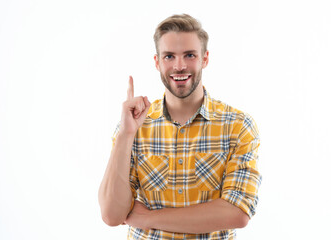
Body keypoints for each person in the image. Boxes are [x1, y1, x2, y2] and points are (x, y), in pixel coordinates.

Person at [98, 14, 262, 240]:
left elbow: (237, 212)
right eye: (169, 56)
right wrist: (126, 135)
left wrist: (147, 218)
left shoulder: (238, 126)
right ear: (157, 62)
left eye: (190, 55)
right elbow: (111, 215)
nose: (179, 65)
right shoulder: (133, 127)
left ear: (205, 59)